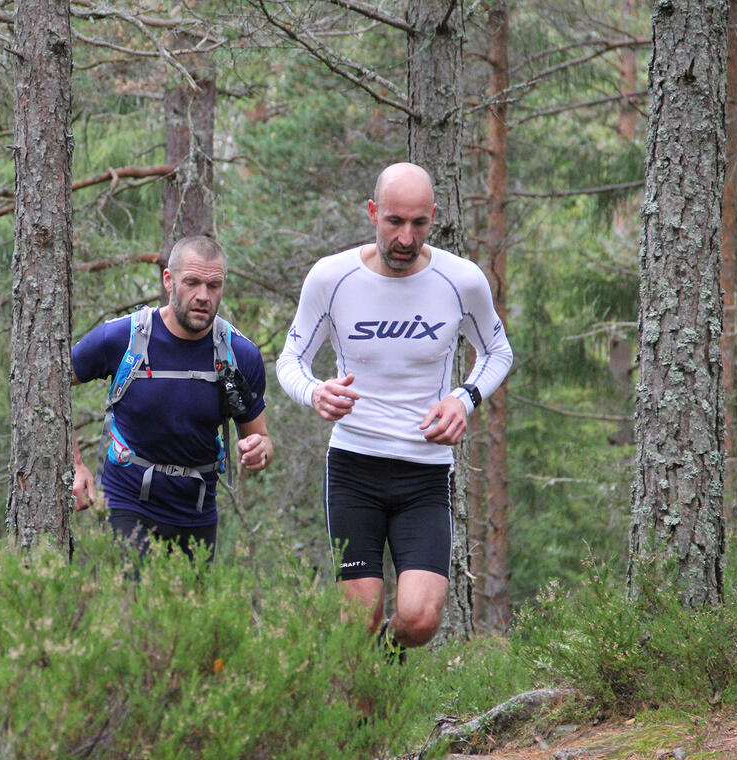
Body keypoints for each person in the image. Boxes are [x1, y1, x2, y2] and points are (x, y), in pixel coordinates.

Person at [276, 163, 513, 656]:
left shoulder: (461, 281)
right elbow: (290, 360)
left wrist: (463, 397)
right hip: (354, 468)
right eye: (394, 222)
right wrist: (315, 392)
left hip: (424, 473)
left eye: (418, 224)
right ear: (372, 213)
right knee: (358, 621)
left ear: (433, 218)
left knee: (420, 620)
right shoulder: (332, 278)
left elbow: (498, 352)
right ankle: (366, 729)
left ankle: (386, 658)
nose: (405, 237)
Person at [71, 235, 273, 561]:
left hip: (197, 512)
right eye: (191, 283)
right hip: (127, 502)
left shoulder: (240, 354)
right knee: (131, 607)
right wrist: (75, 465)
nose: (203, 296)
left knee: (188, 611)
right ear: (168, 280)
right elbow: (49, 383)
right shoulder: (123, 337)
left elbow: (261, 440)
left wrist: (259, 452)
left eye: (214, 286)